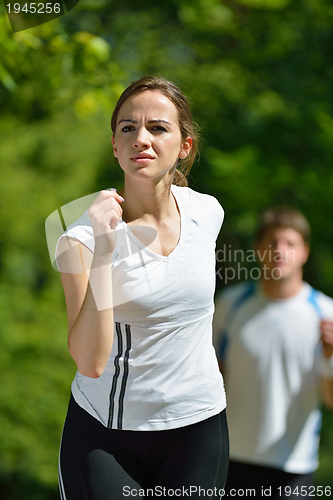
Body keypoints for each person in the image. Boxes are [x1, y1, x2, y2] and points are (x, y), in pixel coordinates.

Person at [55, 76, 229, 500]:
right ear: (114, 145)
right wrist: (104, 249)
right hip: (106, 435)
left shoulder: (208, 212)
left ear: (184, 146)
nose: (142, 139)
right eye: (128, 128)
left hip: (199, 426)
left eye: (158, 128)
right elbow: (90, 362)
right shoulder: (79, 238)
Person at [213, 207, 333, 500]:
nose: (280, 251)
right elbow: (209, 377)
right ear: (258, 250)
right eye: (272, 242)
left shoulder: (327, 314)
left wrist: (331, 358)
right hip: (230, 458)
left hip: (293, 466)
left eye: (290, 244)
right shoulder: (230, 305)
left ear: (304, 252)